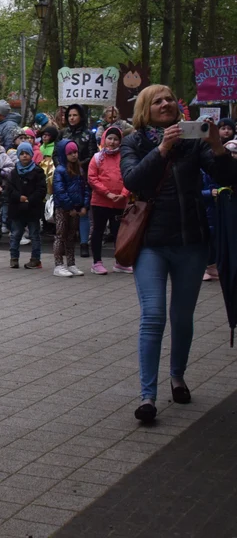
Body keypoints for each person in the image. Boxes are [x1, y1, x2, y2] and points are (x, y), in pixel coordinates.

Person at [121, 85, 237, 423]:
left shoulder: (193, 140)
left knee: (182, 317)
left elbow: (228, 176)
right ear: (145, 109)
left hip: (192, 243)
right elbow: (131, 180)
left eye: (169, 99)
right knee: (153, 316)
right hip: (151, 244)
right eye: (157, 100)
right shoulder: (135, 141)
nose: (165, 103)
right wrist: (161, 148)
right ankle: (147, 396)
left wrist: (215, 145)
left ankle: (177, 376)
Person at [87, 126, 131, 274]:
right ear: (104, 139)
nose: (112, 142)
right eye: (110, 138)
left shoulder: (125, 158)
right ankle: (97, 262)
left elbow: (129, 177)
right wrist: (107, 193)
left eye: (116, 139)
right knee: (98, 231)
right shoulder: (97, 157)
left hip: (119, 202)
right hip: (100, 201)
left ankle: (121, 262)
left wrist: (124, 194)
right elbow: (92, 179)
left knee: (119, 232)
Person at [63, 104, 98, 258]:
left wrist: (78, 166)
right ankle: (66, 242)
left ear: (81, 116)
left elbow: (92, 155)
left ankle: (84, 243)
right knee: (66, 210)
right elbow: (57, 154)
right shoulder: (62, 133)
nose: (72, 118)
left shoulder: (88, 134)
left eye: (75, 115)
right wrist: (63, 168)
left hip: (82, 175)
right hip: (65, 176)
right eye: (69, 115)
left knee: (83, 210)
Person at [5, 142, 46, 269]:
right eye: (21, 154)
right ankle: (14, 257)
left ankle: (35, 259)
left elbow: (41, 189)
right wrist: (19, 197)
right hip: (17, 208)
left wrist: (30, 199)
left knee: (34, 234)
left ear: (31, 155)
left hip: (32, 208)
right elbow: (9, 190)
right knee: (16, 234)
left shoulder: (38, 171)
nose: (24, 156)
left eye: (27, 153)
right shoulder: (13, 172)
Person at [52, 140, 88, 276]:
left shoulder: (79, 169)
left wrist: (84, 205)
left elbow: (85, 188)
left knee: (71, 236)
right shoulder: (60, 171)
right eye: (70, 153)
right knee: (60, 235)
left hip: (77, 208)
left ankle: (71, 263)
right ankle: (58, 264)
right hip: (63, 208)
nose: (74, 155)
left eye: (75, 152)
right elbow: (59, 191)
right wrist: (69, 207)